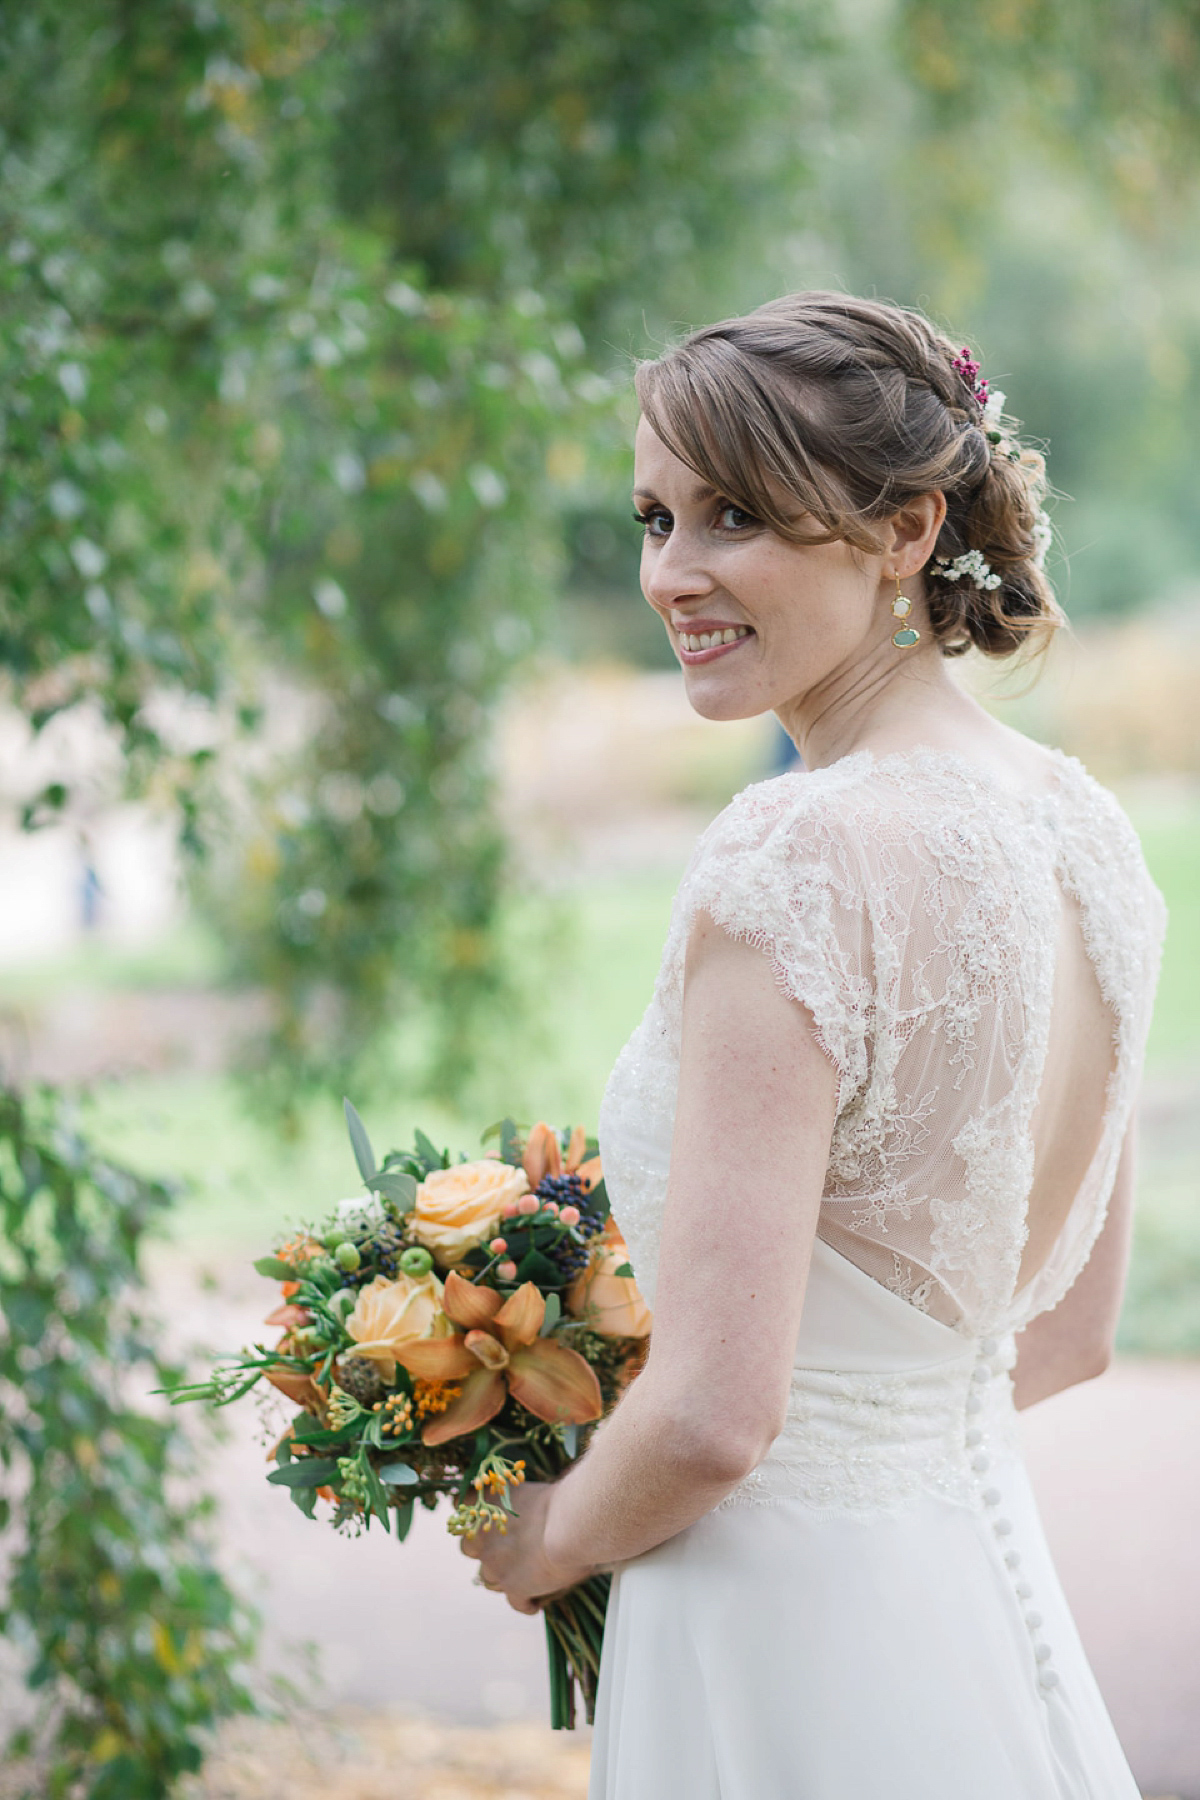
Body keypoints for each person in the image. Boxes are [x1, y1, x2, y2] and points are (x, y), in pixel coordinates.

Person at [463, 291, 1166, 1797]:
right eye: (655, 518)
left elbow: (718, 1417)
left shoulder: (795, 855)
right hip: (973, 1605)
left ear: (908, 532)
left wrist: (550, 1541)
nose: (675, 572)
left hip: (772, 1637)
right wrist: (882, 1445)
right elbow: (1071, 1336)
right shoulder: (1089, 834)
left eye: (735, 517)